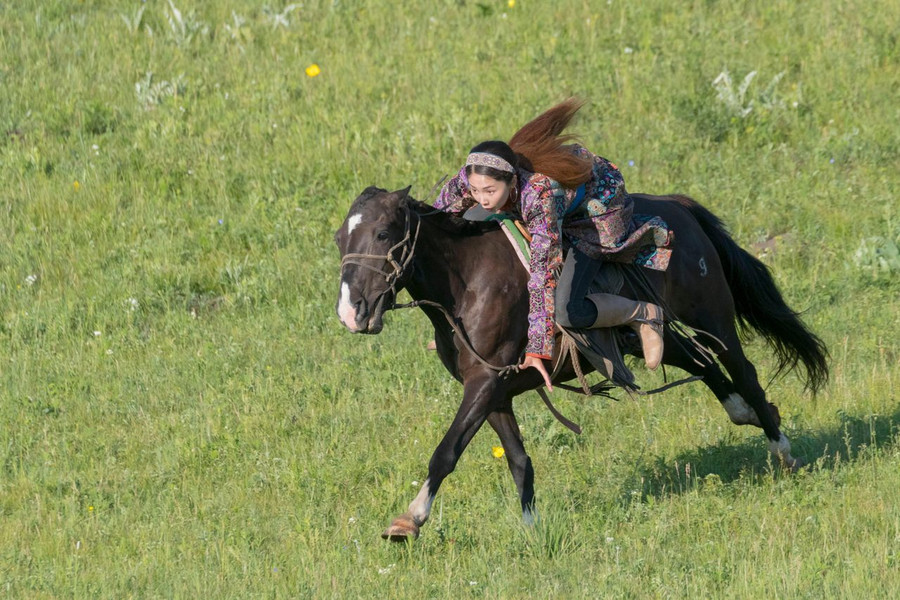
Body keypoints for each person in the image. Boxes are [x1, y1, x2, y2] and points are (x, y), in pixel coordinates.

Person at [433, 98, 673, 390]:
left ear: (511, 183)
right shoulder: (472, 177)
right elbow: (438, 223)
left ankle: (642, 314)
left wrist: (537, 349)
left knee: (567, 310)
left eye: (490, 191)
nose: (482, 198)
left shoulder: (539, 196)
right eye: (475, 189)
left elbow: (542, 276)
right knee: (472, 218)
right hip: (546, 206)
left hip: (596, 208)